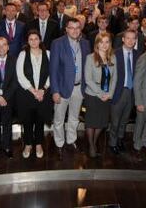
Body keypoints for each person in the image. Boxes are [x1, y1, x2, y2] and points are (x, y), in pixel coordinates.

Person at [50, 18, 90, 159]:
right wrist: (54, 90)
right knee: (59, 119)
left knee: (74, 117)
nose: (74, 30)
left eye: (77, 27)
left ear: (80, 29)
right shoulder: (57, 43)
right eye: (71, 27)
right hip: (62, 89)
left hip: (79, 88)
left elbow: (87, 67)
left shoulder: (85, 43)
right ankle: (59, 143)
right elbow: (53, 69)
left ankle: (71, 140)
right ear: (66, 29)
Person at [16, 30, 52, 159]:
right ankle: (28, 144)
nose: (33, 41)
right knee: (28, 120)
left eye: (36, 39)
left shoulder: (48, 54)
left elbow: (51, 74)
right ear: (27, 41)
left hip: (43, 93)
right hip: (27, 94)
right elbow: (20, 75)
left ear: (40, 40)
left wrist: (43, 89)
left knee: (39, 119)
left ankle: (38, 144)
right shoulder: (22, 54)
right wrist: (33, 91)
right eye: (30, 39)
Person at [84, 33, 117, 158]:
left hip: (107, 96)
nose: (104, 45)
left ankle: (94, 141)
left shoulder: (113, 58)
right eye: (101, 42)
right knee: (92, 122)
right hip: (93, 95)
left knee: (102, 122)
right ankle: (92, 145)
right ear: (97, 43)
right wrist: (100, 93)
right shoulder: (90, 58)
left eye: (107, 42)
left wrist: (110, 94)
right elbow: (88, 79)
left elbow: (115, 78)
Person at [109, 29, 139, 154]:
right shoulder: (114, 54)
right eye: (128, 38)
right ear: (123, 39)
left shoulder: (138, 54)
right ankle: (112, 143)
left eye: (133, 38)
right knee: (115, 121)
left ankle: (120, 140)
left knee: (124, 120)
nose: (130, 41)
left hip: (131, 92)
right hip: (118, 92)